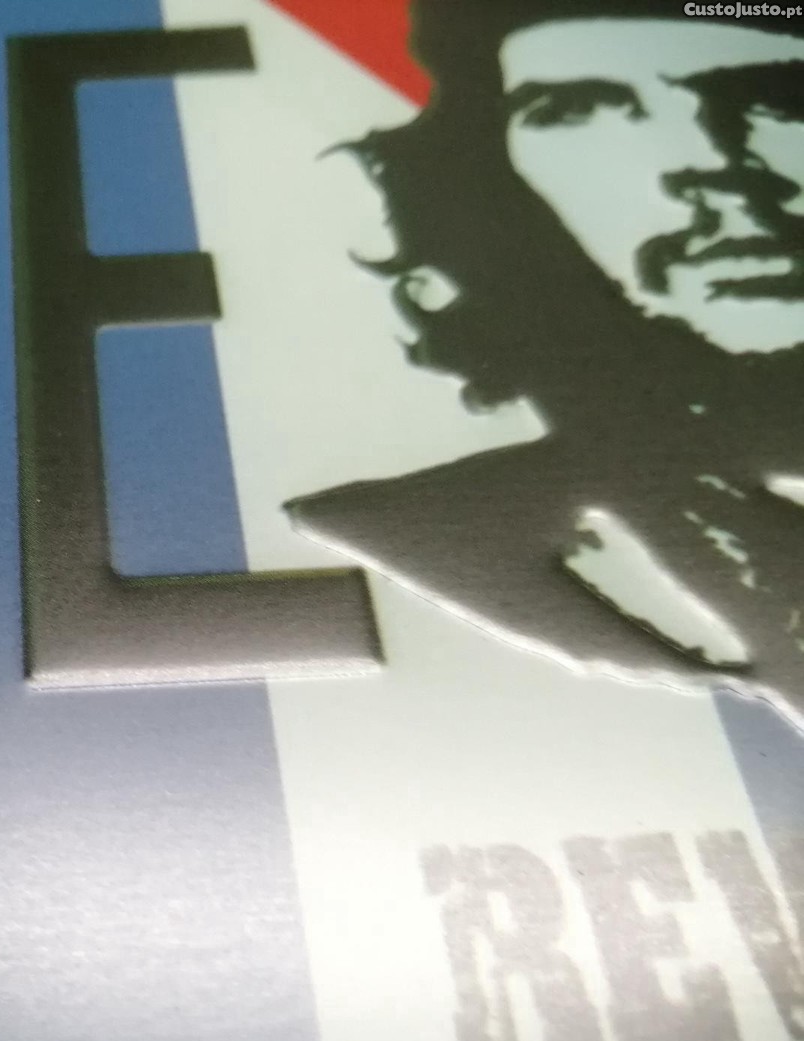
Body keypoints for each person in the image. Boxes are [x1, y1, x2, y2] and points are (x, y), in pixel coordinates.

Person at [285, 0, 804, 727]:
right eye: (575, 111)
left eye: (772, 100)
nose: (702, 169)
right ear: (485, 171)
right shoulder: (437, 532)